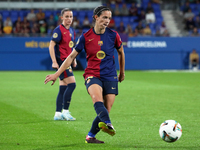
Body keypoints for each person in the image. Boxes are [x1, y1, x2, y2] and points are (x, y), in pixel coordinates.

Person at [44, 5, 125, 143]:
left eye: (109, 18)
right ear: (96, 17)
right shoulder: (86, 37)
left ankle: (90, 136)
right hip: (92, 75)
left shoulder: (113, 35)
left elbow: (121, 52)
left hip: (110, 75)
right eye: (104, 17)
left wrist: (122, 72)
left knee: (106, 109)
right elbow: (70, 57)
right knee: (97, 100)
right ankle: (108, 123)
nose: (107, 20)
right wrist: (57, 74)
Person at [48, 8, 77, 121]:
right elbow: (51, 45)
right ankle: (65, 111)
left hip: (68, 60)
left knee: (63, 88)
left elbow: (71, 46)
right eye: (67, 16)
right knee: (72, 85)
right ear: (62, 18)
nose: (69, 19)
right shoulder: (58, 30)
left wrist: (74, 59)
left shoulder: (72, 31)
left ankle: (58, 114)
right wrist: (54, 61)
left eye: (71, 16)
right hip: (62, 61)